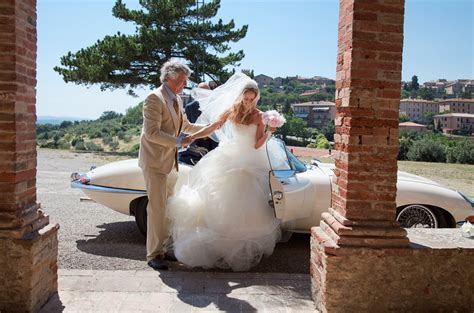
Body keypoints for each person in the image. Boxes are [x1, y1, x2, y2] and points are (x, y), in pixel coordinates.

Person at [166, 73, 282, 271]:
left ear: (256, 98)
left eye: (252, 99)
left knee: (246, 204)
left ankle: (236, 246)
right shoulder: (231, 110)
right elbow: (211, 128)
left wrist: (270, 130)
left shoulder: (259, 116)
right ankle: (217, 242)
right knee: (218, 200)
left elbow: (257, 144)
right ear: (241, 96)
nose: (248, 102)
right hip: (228, 156)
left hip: (249, 160)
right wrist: (191, 137)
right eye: (246, 98)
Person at [138, 59, 205, 271]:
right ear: (170, 78)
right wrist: (179, 142)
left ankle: (163, 249)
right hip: (155, 163)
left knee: (167, 210)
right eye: (183, 80)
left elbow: (185, 125)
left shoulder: (176, 99)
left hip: (170, 164)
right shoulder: (154, 98)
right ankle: (153, 254)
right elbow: (152, 133)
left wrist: (212, 127)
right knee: (157, 210)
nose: (186, 84)